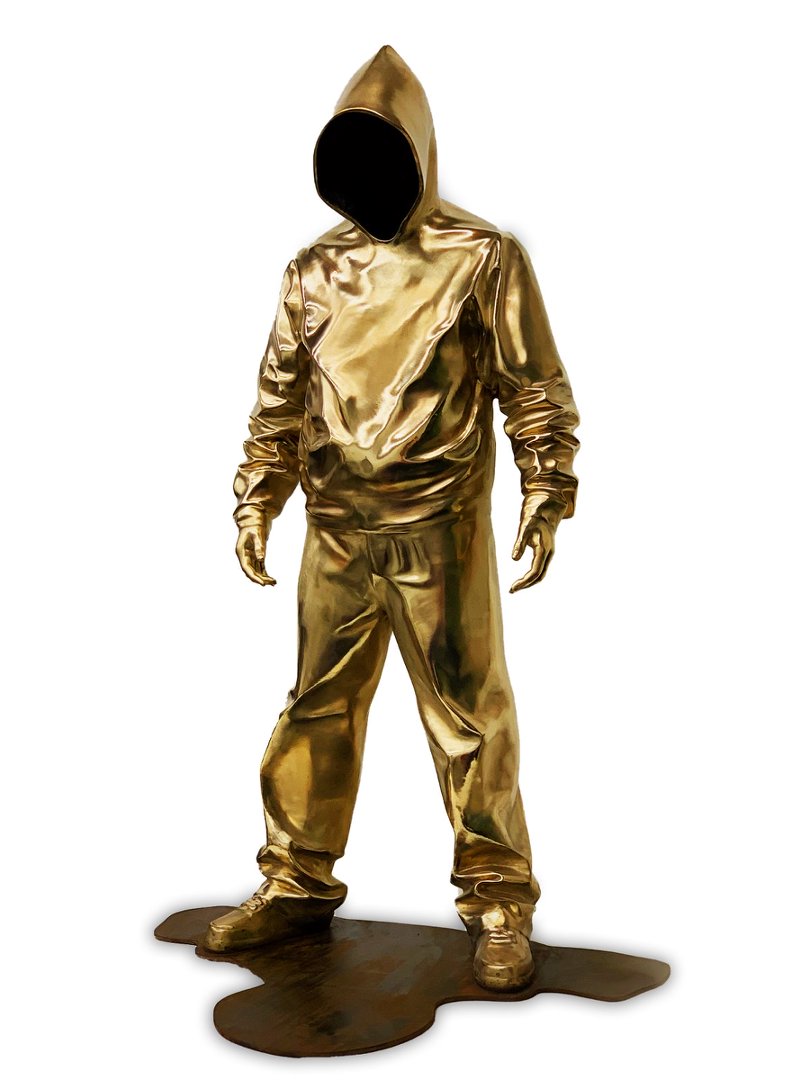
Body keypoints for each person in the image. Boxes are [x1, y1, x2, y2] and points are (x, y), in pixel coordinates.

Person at [204, 44, 580, 992]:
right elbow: (280, 397)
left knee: (469, 720)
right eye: (352, 154)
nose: (369, 174)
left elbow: (533, 387)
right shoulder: (312, 270)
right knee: (314, 710)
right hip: (335, 531)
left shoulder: (483, 257)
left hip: (440, 530)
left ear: (419, 151)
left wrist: (547, 487)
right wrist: (257, 497)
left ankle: (499, 901)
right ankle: (295, 880)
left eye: (384, 151)